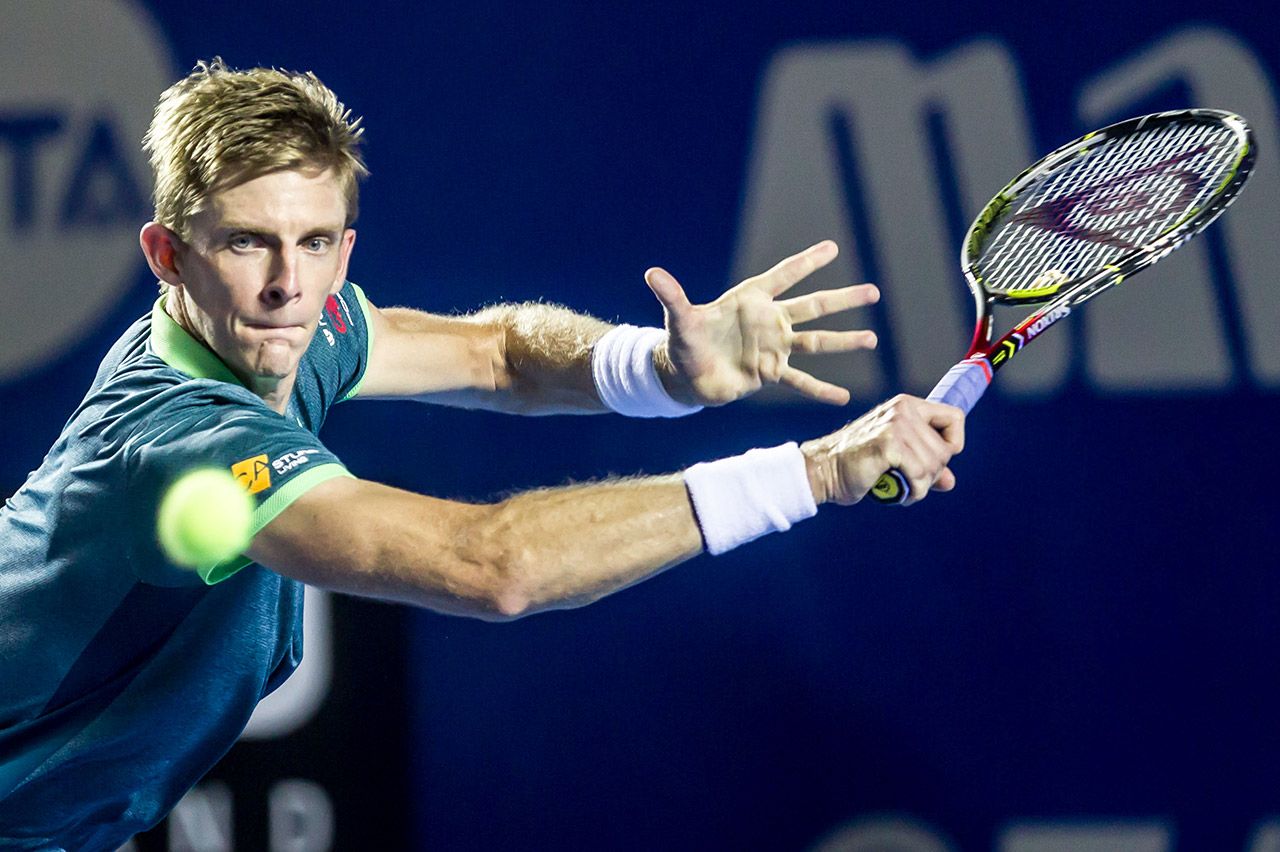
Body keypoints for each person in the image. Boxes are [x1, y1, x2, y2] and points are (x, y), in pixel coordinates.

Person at [0, 59, 963, 849]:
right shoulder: (184, 440)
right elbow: (495, 566)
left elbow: (497, 353)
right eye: (247, 244)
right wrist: (812, 473)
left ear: (345, 251)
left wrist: (659, 367)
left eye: (315, 242)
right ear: (167, 255)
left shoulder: (287, 326)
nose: (288, 284)